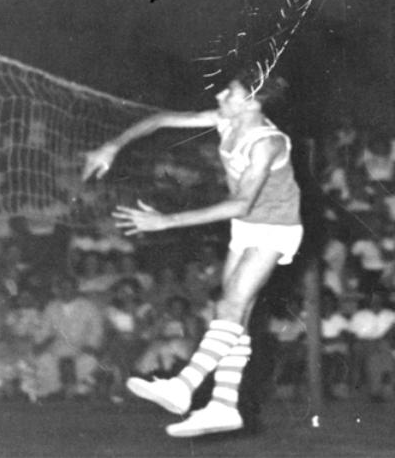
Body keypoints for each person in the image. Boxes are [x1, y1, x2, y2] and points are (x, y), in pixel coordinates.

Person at [82, 69, 302, 437]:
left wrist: (167, 222)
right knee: (231, 316)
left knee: (231, 308)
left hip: (275, 228)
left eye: (229, 93)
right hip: (248, 228)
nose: (219, 97)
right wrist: (113, 146)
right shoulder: (225, 120)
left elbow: (242, 204)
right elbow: (160, 120)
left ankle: (184, 384)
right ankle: (223, 407)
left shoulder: (267, 142)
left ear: (252, 101)